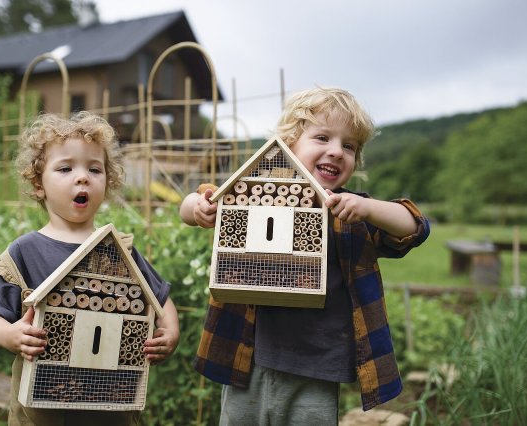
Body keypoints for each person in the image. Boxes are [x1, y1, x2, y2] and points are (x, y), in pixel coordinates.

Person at [180, 87, 430, 424]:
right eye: (322, 137)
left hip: (317, 367)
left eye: (349, 146)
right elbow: (198, 199)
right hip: (248, 357)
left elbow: (414, 226)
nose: (336, 151)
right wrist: (198, 209)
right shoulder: (259, 192)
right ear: (290, 143)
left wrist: (367, 207)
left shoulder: (350, 213)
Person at [0, 111, 179, 426]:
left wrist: (170, 333)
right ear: (39, 184)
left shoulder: (118, 249)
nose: (82, 177)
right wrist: (9, 334)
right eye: (65, 168)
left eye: (94, 169)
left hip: (111, 399)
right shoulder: (26, 251)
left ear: (107, 182)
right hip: (42, 409)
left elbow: (160, 300)